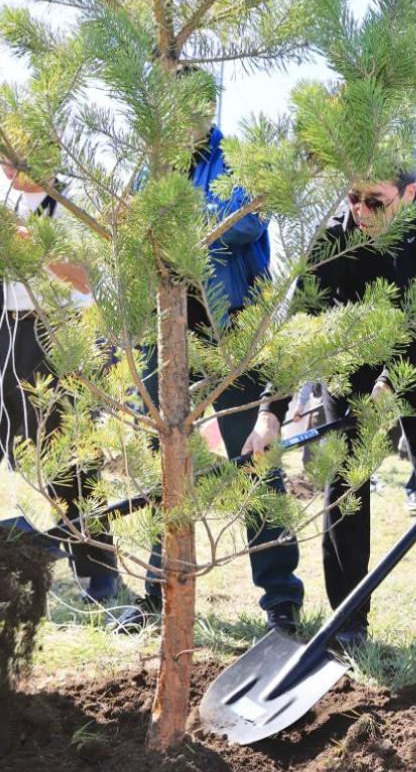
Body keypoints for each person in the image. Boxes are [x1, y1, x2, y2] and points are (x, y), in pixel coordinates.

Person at [247, 154, 416, 647]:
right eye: (353, 197)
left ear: (409, 193)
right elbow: (300, 325)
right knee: (348, 481)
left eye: (376, 201)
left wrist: (392, 382)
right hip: (350, 357)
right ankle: (349, 616)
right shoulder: (333, 234)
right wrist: (270, 412)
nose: (360, 211)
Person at [115, 84, 304, 634]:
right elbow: (127, 232)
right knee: (166, 462)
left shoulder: (235, 158)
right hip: (165, 333)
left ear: (205, 109)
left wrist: (166, 217)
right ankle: (159, 593)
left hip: (232, 331)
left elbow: (241, 222)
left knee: (255, 462)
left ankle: (281, 600)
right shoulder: (150, 165)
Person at [1, 161, 120, 601]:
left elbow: (85, 279)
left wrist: (31, 243)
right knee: (20, 451)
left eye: (15, 152)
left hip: (60, 332)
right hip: (8, 331)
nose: (6, 163)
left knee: (71, 458)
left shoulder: (73, 203)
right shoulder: (6, 200)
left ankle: (99, 571)